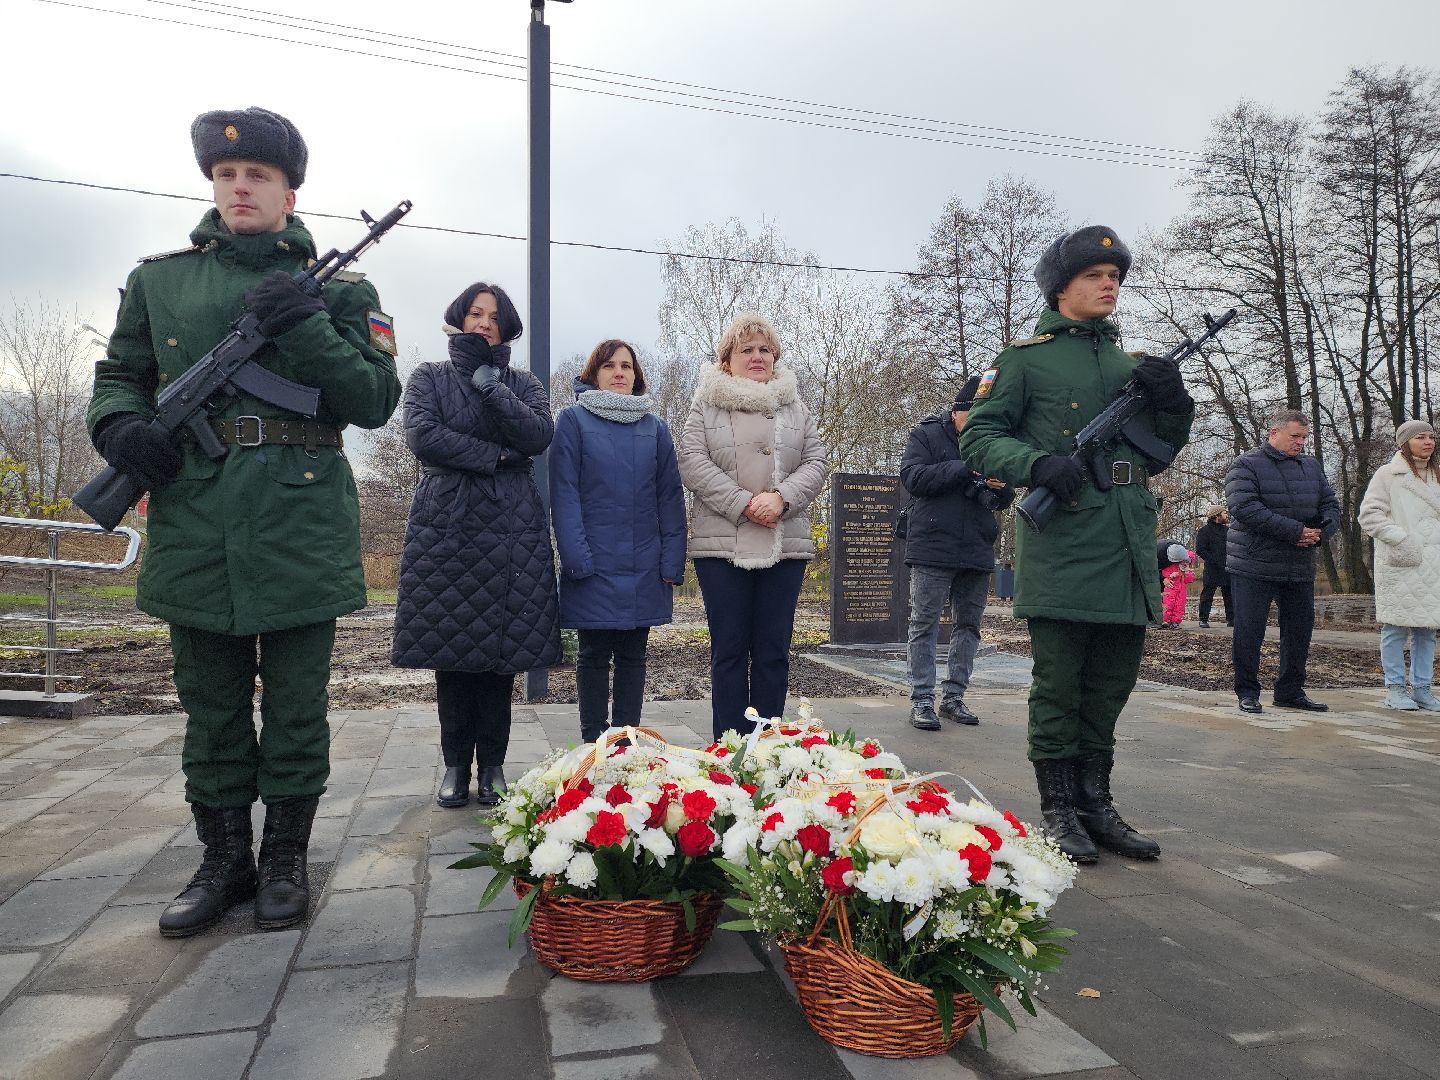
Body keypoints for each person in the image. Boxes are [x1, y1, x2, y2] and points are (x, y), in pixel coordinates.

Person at [85, 107, 402, 937]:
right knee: (212, 708)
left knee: (296, 709)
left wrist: (307, 328)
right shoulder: (161, 282)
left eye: (257, 175)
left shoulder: (342, 291)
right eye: (226, 175)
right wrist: (120, 428)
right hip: (195, 518)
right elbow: (119, 374)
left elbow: (374, 399)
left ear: (290, 193)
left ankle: (286, 860)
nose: (239, 188)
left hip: (300, 520)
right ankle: (223, 861)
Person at [959, 226, 1194, 863]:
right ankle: (1059, 808)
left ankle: (1097, 803)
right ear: (1062, 287)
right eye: (1095, 275)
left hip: (1127, 540)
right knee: (1060, 684)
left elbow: (1160, 452)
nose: (1109, 284)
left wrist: (1175, 403)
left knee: (1111, 683)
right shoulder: (1024, 359)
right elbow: (978, 437)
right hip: (1063, 539)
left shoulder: (1130, 367)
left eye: (1115, 276)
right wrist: (1036, 464)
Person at [391, 282, 562, 808]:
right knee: (453, 653)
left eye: (493, 316)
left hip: (512, 529)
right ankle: (454, 765)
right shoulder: (429, 376)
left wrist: (492, 387)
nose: (484, 323)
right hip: (447, 526)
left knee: (501, 657)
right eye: (475, 314)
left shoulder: (522, 383)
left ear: (506, 327)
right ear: (459, 319)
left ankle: (492, 766)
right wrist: (496, 457)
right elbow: (423, 437)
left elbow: (537, 435)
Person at [677, 313, 827, 741]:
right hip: (722, 547)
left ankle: (767, 749)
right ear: (727, 360)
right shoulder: (705, 405)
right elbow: (692, 461)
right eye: (747, 349)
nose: (757, 356)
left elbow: (816, 462)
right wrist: (743, 503)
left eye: (765, 349)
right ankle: (728, 750)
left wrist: (782, 497)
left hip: (785, 545)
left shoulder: (796, 407)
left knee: (773, 653)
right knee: (728, 652)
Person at [549, 339, 687, 742]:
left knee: (633, 657)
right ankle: (593, 745)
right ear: (594, 374)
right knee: (592, 656)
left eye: (626, 366)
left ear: (636, 375)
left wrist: (671, 562)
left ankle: (626, 744)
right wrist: (576, 558)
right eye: (609, 366)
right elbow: (565, 494)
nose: (619, 373)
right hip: (592, 564)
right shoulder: (573, 421)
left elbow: (670, 498)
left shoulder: (655, 428)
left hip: (644, 566)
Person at [899, 374, 1015, 730]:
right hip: (932, 546)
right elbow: (913, 478)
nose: (979, 423)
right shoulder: (926, 435)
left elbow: (1004, 498)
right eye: (973, 415)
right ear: (956, 411)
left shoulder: (993, 441)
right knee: (924, 624)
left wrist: (1000, 488)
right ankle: (922, 700)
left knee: (969, 626)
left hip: (977, 547)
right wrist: (965, 469)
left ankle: (954, 697)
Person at [1224, 409, 1340, 715]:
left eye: (1304, 437)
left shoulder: (1311, 466)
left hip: (1299, 563)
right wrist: (1294, 531)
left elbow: (1330, 504)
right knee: (1250, 631)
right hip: (1254, 562)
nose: (1300, 442)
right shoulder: (1246, 464)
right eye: (1295, 436)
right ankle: (1247, 691)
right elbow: (1244, 507)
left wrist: (1320, 532)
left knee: (1299, 631)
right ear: (1274, 433)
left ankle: (1290, 691)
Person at [1357, 420, 1440, 711]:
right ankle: (1394, 689)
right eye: (1420, 437)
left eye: (1431, 437)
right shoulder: (1388, 474)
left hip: (1434, 566)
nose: (1428, 442)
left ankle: (1422, 689)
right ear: (1405, 442)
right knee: (1395, 628)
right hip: (1402, 562)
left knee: (1427, 630)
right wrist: (1402, 539)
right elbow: (1369, 515)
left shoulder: (1437, 475)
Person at [1194, 505, 1233, 628]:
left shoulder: (1227, 531)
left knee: (1229, 595)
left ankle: (1232, 620)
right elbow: (1200, 549)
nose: (1226, 515)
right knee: (1207, 594)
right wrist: (1214, 560)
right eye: (1224, 513)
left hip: (1227, 568)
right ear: (1217, 515)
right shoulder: (1204, 531)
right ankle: (1203, 619)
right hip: (1212, 568)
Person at [1160, 551, 1195, 628]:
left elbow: (1190, 580)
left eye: (1187, 562)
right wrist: (1170, 576)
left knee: (1179, 606)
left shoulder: (1188, 570)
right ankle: (1165, 620)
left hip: (1181, 590)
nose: (1184, 563)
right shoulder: (1172, 566)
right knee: (1168, 604)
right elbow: (1164, 574)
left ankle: (1175, 621)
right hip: (1171, 588)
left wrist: (1187, 573)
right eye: (1183, 561)